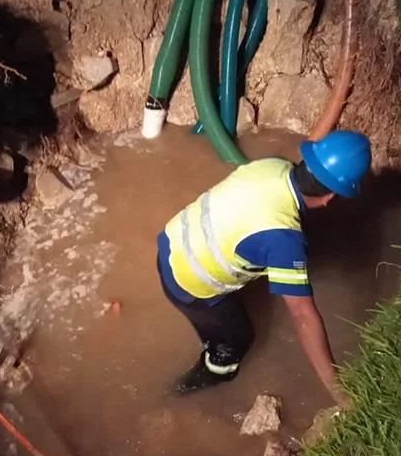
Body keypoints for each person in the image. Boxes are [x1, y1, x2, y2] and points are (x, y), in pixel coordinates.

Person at [156, 130, 372, 402]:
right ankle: (183, 393)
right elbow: (303, 317)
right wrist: (340, 393)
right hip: (188, 283)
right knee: (238, 340)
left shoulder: (272, 164)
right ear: (331, 198)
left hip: (171, 242)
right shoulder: (284, 240)